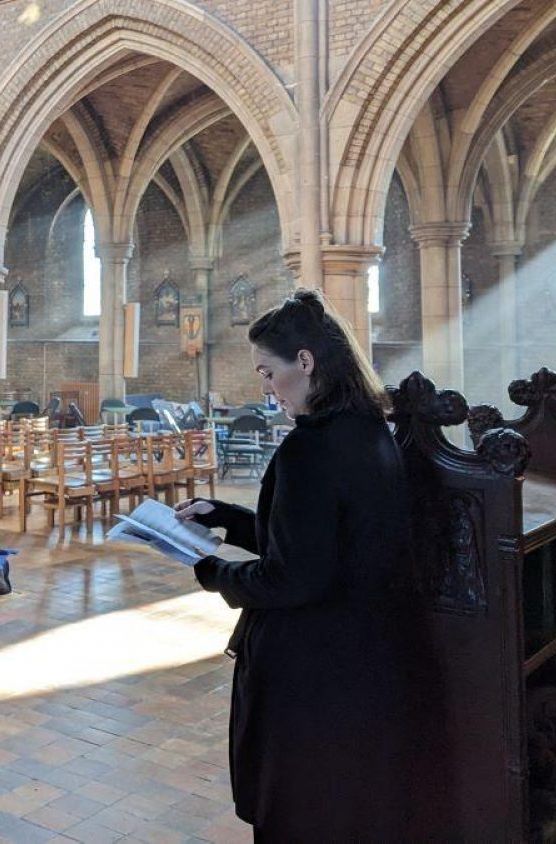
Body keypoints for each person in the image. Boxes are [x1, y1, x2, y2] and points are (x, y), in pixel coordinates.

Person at [174, 289, 420, 841]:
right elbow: (316, 538)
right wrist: (227, 518)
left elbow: (294, 576)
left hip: (308, 673)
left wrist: (212, 571)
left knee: (294, 814)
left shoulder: (307, 450)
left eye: (267, 372)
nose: (264, 386)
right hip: (360, 660)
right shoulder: (368, 431)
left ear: (305, 362)